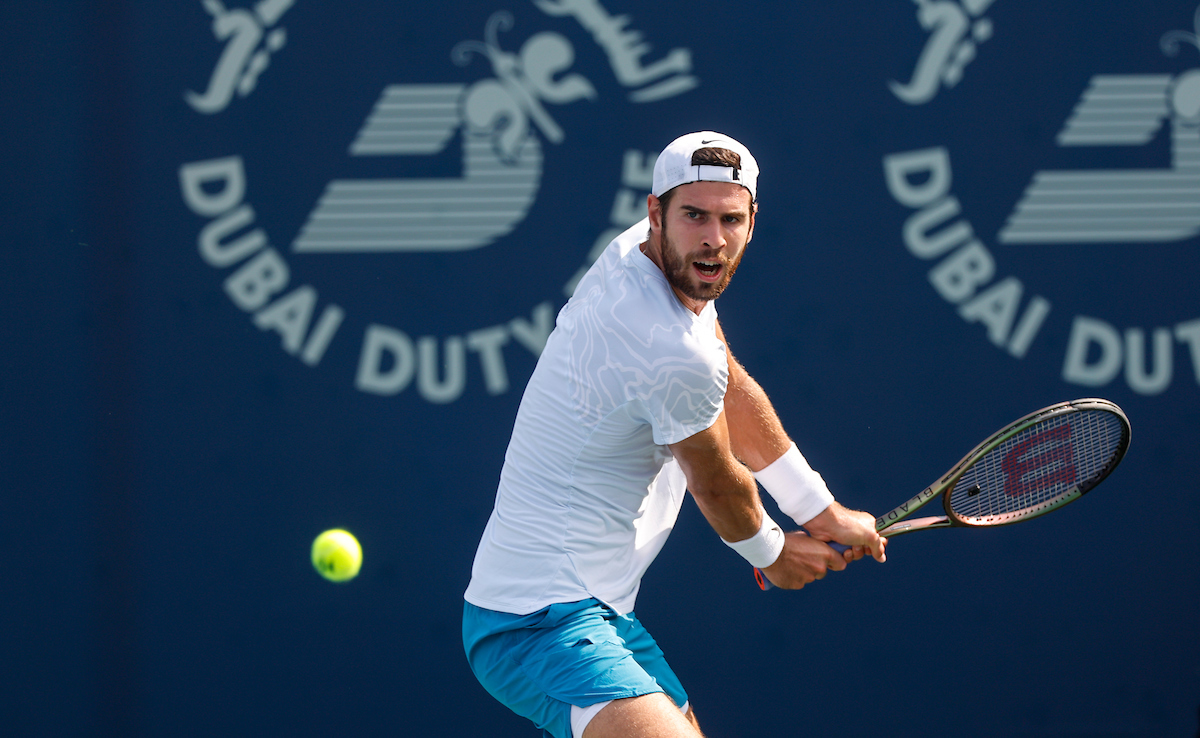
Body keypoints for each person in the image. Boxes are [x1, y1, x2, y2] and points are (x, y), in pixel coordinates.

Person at [463, 131, 886, 738]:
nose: (713, 238)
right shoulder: (660, 341)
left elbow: (726, 383)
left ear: (751, 221)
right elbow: (716, 486)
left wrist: (819, 508)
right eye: (694, 216)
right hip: (535, 619)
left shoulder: (654, 261)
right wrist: (775, 554)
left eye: (729, 219)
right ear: (655, 212)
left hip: (600, 609)